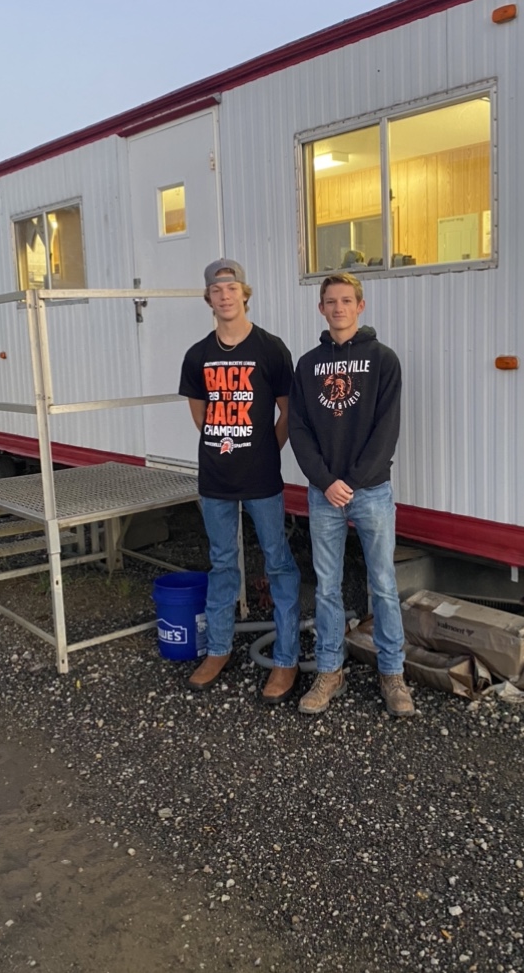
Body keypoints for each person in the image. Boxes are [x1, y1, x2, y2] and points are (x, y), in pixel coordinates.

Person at [289, 273, 414, 718]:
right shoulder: (307, 366)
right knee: (326, 587)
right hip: (325, 493)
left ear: (360, 306)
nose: (338, 307)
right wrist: (326, 481)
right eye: (330, 301)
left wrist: (355, 481)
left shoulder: (383, 360)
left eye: (346, 300)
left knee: (382, 584)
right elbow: (299, 430)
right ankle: (329, 670)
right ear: (321, 309)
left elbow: (387, 429)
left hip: (372, 490)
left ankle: (392, 674)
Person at [179, 259, 301, 704]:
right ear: (208, 298)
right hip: (215, 477)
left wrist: (264, 451)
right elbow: (199, 412)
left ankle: (286, 659)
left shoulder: (271, 349)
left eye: (232, 287)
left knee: (278, 563)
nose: (225, 295)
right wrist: (222, 442)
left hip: (263, 477)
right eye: (217, 289)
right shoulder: (198, 355)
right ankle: (218, 650)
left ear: (244, 294)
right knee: (222, 562)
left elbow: (288, 411)